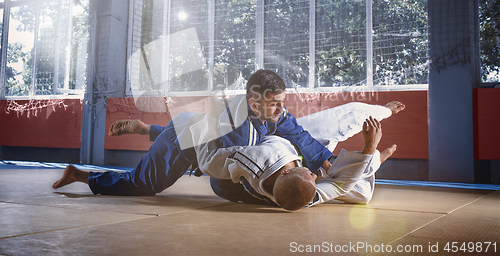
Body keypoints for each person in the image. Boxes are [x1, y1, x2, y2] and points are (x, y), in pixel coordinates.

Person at [52, 70, 340, 195]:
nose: (282, 109)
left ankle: (145, 129)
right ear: (254, 103)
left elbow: (298, 133)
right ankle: (79, 175)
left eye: (282, 101)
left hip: (194, 127)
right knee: (141, 185)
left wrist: (324, 159)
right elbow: (205, 160)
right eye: (275, 103)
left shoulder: (272, 112)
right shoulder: (235, 128)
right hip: (181, 141)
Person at [196, 116, 396, 211]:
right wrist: (370, 150)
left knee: (218, 180)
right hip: (259, 174)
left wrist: (202, 135)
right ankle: (374, 161)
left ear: (285, 173)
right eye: (314, 178)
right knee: (362, 194)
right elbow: (342, 184)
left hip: (227, 183)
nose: (314, 176)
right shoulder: (306, 196)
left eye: (309, 175)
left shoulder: (258, 158)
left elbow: (209, 162)